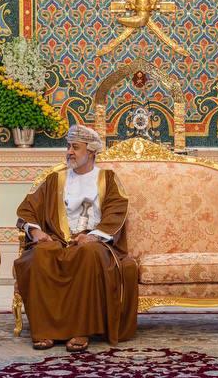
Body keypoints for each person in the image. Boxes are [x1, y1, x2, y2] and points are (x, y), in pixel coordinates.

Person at [13, 124, 138, 352]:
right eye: (68, 146)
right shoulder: (55, 179)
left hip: (94, 243)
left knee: (88, 255)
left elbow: (117, 211)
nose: (69, 151)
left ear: (91, 152)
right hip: (59, 239)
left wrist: (93, 237)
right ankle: (46, 331)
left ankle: (81, 331)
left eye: (76, 147)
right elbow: (27, 210)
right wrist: (37, 232)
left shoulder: (107, 179)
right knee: (40, 254)